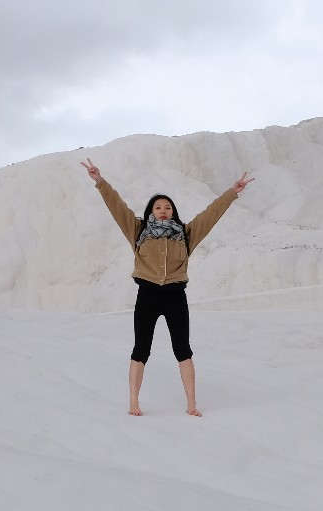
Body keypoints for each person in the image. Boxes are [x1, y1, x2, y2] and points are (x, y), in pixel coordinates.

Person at [82, 158, 252, 417]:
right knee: (141, 349)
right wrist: (100, 182)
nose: (163, 210)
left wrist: (231, 193)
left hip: (175, 296)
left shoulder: (185, 234)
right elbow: (118, 208)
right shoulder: (138, 231)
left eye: (168, 207)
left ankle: (192, 404)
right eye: (158, 207)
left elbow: (210, 215)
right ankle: (134, 403)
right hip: (147, 295)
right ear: (151, 211)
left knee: (183, 349)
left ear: (173, 212)